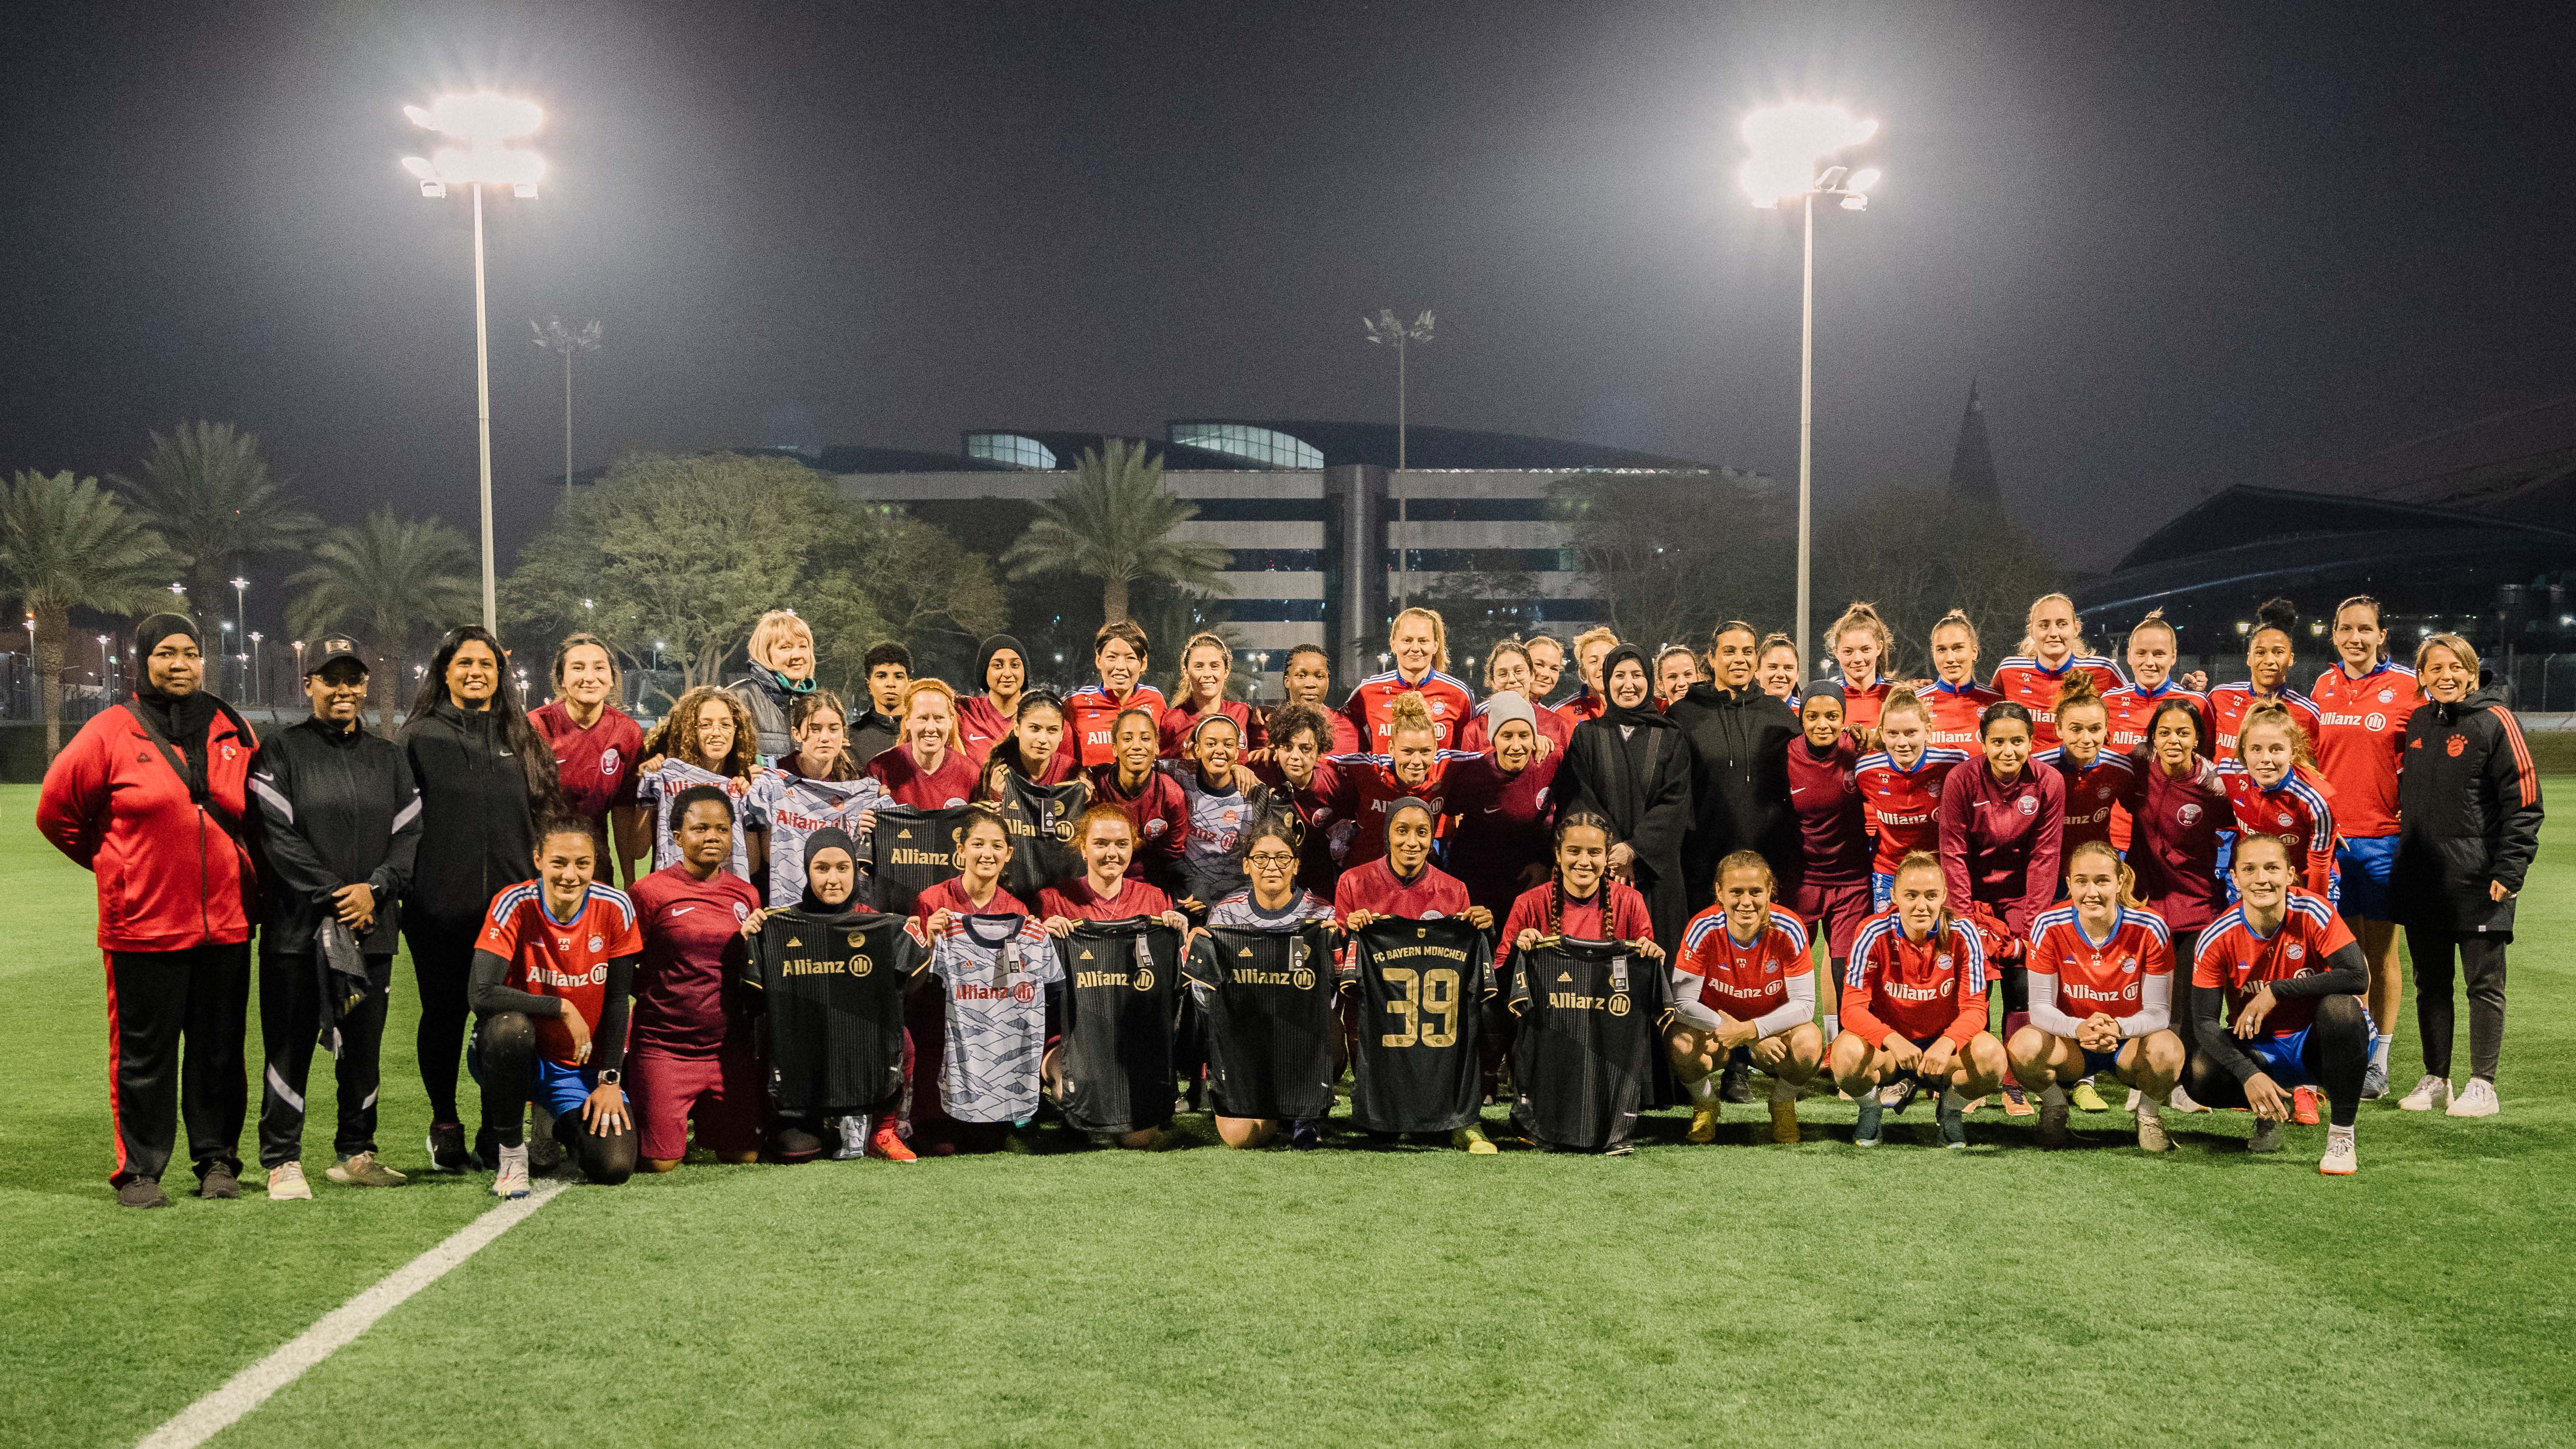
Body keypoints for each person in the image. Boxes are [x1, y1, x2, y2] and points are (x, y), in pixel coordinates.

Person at [39, 613, 261, 1207]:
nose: (180, 664)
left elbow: (259, 818)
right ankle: (140, 1170)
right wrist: (118, 869)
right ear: (144, 661)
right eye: (167, 653)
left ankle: (216, 1160)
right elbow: (55, 813)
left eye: (190, 652)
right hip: (143, 926)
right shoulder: (110, 730)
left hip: (227, 924)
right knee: (145, 1055)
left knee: (219, 1051)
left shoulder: (232, 728)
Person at [244, 635, 420, 1198]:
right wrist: (338, 893)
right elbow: (277, 837)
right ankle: (282, 1158)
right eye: (330, 679)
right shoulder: (279, 751)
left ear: (365, 686)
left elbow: (410, 834)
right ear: (309, 685)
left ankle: (357, 1151)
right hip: (298, 930)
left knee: (364, 1048)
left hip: (372, 930)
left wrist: (376, 889)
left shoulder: (389, 757)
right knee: (290, 1043)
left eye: (353, 680)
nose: (343, 690)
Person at [400, 625, 564, 1174]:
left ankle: (499, 1130)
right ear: (444, 671)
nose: (476, 672)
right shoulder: (419, 737)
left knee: (509, 1021)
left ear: (501, 673)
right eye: (464, 662)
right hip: (439, 908)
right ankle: (445, 1120)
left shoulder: (523, 737)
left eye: (487, 664)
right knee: (444, 1015)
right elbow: (400, 825)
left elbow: (545, 817)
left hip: (514, 914)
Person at [2390, 633, 2543, 1119]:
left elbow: (2524, 802)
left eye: (2455, 666)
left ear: (2472, 671)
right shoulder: (2417, 721)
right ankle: (2436, 1078)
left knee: (2483, 984)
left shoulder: (2495, 720)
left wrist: (2509, 868)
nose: (2446, 675)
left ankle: (2483, 1084)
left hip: (2480, 879)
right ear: (2421, 677)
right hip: (2423, 880)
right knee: (2429, 983)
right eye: (2434, 668)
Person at [467, 819, 642, 1194]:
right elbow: (481, 993)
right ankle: (512, 1153)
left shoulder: (616, 906)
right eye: (559, 862)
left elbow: (617, 1001)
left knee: (613, 1166)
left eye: (582, 864)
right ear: (538, 860)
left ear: (595, 864)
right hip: (516, 1052)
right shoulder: (513, 903)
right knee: (511, 1029)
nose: (570, 875)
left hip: (576, 1067)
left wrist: (610, 1080)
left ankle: (554, 1124)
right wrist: (560, 1006)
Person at [2187, 833, 2371, 1174]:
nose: (2262, 879)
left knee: (2343, 1009)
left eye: (2272, 868)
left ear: (2290, 875)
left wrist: (2277, 990)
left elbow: (2357, 976)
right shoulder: (2217, 936)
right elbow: (2204, 1022)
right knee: (2200, 1073)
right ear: (2235, 878)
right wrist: (2247, 1074)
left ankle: (2342, 1135)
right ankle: (2269, 1112)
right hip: (2263, 1047)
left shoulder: (2314, 910)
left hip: (2320, 1040)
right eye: (2250, 869)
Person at [739, 826, 919, 1163]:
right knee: (798, 1151)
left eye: (842, 868)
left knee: (903, 1039)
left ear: (855, 870)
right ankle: (810, 1122)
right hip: (804, 1059)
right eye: (821, 868)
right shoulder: (777, 925)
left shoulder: (878, 924)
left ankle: (883, 1130)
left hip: (857, 1047)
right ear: (807, 872)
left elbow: (912, 987)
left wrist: (929, 939)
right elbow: (753, 1004)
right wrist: (749, 940)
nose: (833, 879)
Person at [2307, 595, 2423, 1096]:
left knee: (2380, 955)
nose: (2355, 638)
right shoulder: (2323, 685)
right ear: (2333, 635)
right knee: (2342, 958)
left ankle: (2378, 1059)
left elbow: (2422, 761)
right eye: (2346, 629)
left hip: (2380, 840)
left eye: (2365, 629)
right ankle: (2350, 1049)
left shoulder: (2404, 688)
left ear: (2381, 635)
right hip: (2329, 843)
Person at [1498, 810, 1666, 1154]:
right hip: (1550, 1032)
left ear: (1608, 857)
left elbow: (1646, 981)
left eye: (1594, 853)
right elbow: (1502, 976)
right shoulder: (1529, 903)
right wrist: (1520, 949)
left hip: (1608, 1031)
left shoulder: (1630, 902)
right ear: (1558, 855)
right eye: (1574, 851)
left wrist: (1649, 952)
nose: (1584, 861)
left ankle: (1616, 1125)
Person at [2009, 842, 2186, 1151]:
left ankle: (2148, 1115)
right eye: (2082, 881)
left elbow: (2160, 1013)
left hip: (2129, 1045)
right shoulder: (2048, 925)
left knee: (2169, 1050)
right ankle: (2054, 1107)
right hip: (2071, 1045)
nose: (2092, 892)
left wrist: (2118, 1028)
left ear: (2120, 882)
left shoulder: (2151, 927)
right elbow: (2039, 1009)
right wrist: (2078, 1028)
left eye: (2102, 880)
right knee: (2024, 1046)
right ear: (2069, 885)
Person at [626, 785, 764, 1174]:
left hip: (728, 1050)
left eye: (721, 829)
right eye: (700, 829)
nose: (712, 838)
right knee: (661, 1162)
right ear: (677, 837)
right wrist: (663, 1000)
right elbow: (626, 969)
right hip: (664, 1047)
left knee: (744, 1156)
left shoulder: (747, 895)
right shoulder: (649, 892)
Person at [1035, 805, 1189, 1149]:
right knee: (1073, 1095)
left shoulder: (1153, 899)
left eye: (1121, 844)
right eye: (1101, 843)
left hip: (1133, 1040)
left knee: (1139, 1139)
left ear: (1133, 847)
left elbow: (1172, 981)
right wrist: (1042, 937)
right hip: (1074, 1038)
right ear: (1083, 847)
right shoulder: (1054, 900)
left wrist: (1177, 932)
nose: (1111, 853)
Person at [1938, 700, 2066, 1114]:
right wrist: (1965, 921)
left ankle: (2013, 1082)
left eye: (2017, 741)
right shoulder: (1961, 778)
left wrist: (2027, 929)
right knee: (1974, 987)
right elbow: (1953, 852)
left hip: (2023, 898)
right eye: (1998, 742)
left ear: (2032, 741)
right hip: (1970, 896)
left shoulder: (2049, 782)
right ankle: (1973, 1079)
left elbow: (2046, 857)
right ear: (1982, 742)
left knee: (2020, 981)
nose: (2008, 751)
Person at [1831, 853, 2005, 1148]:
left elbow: (1976, 1010)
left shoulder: (1964, 933)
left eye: (1930, 895)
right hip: (1891, 1052)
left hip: (1943, 1054)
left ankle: (1950, 1111)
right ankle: (1871, 1110)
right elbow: (1851, 1009)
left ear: (1944, 896)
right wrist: (1892, 1040)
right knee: (1845, 1054)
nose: (1921, 905)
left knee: (1992, 1058)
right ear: (1894, 894)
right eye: (1911, 895)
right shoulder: (1872, 931)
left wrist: (1947, 1043)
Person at [915, 812, 1061, 1151]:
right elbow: (917, 977)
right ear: (961, 850)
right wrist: (930, 937)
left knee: (988, 1143)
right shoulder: (932, 901)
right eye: (978, 844)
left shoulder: (1018, 911)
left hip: (992, 1031)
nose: (987, 854)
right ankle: (931, 1115)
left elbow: (1014, 988)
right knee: (942, 1144)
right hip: (939, 1023)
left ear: (1008, 854)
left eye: (997, 846)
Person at [2119, 697, 2231, 1110]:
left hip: (2195, 903)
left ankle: (2180, 1084)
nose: (2173, 740)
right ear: (2152, 738)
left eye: (2183, 732)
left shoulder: (2213, 785)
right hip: (2145, 902)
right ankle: (2141, 1077)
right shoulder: (2136, 769)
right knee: (2143, 996)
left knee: (2183, 999)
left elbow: (2245, 823)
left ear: (2198, 739)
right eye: (2164, 732)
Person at [1667, 853, 1825, 1144]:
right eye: (1736, 892)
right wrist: (1748, 1035)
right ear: (1719, 893)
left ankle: (1782, 1103)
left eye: (1756, 892)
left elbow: (1805, 1005)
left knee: (1809, 1042)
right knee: (1680, 1041)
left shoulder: (1789, 928)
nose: (1746, 902)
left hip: (1772, 1033)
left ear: (1770, 892)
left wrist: (1753, 1029)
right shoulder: (1702, 928)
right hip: (1718, 1032)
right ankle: (1705, 1103)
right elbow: (1681, 1003)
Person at [1558, 644, 1696, 956]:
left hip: (1656, 873)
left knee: (1658, 964)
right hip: (1602, 868)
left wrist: (1634, 850)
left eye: (1637, 675)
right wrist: (1611, 849)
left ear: (1649, 679)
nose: (1628, 684)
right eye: (1619, 675)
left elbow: (1676, 801)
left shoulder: (1672, 735)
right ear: (1607, 681)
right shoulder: (1588, 735)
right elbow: (1579, 796)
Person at [1670, 621, 1797, 917]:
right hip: (1702, 865)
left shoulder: (1778, 714)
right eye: (1729, 651)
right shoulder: (1683, 715)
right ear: (1712, 659)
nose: (1739, 659)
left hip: (1765, 863)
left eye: (1747, 652)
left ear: (1756, 659)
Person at [1783, 681, 1873, 1051]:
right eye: (1813, 716)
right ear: (1801, 717)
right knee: (1793, 970)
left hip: (1851, 881)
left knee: (1844, 971)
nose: (1823, 724)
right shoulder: (1784, 754)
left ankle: (1842, 1048)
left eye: (1833, 716)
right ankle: (1791, 1048)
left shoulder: (1859, 749)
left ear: (1844, 719)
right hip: (1801, 880)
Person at [1316, 691, 1476, 875]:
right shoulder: (1365, 768)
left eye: (1425, 751)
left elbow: (1492, 758)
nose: (1416, 761)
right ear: (1391, 748)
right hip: (1363, 875)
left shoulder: (1448, 766)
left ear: (1436, 749)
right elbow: (1316, 763)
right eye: (1407, 751)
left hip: (1416, 879)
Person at [1438, 692, 1564, 922]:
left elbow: (1566, 815)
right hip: (1480, 880)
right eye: (1507, 736)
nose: (1516, 746)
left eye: (1524, 735)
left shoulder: (1551, 762)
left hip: (1528, 876)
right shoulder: (1475, 774)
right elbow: (1447, 809)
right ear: (1493, 739)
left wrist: (1547, 863)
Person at [530, 632, 643, 886]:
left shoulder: (627, 732)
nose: (590, 677)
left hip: (595, 864)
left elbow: (623, 813)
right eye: (578, 668)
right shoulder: (536, 726)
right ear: (561, 679)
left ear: (612, 678)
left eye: (600, 668)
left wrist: (630, 881)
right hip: (541, 866)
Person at [1854, 687, 1968, 912]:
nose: (1902, 742)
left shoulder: (1953, 762)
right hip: (1889, 872)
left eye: (1911, 733)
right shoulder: (1865, 770)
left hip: (1937, 872)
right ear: (1883, 734)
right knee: (1890, 942)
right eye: (1893, 734)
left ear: (1927, 731)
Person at [634, 686, 762, 878]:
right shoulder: (666, 778)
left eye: (726, 725)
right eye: (705, 725)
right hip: (674, 895)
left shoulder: (740, 783)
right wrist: (647, 791)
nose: (717, 732)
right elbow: (638, 850)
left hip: (722, 898)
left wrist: (750, 803)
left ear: (737, 730)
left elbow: (751, 866)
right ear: (689, 731)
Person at [2217, 703, 2338, 901]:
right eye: (2256, 749)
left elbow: (2319, 865)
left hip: (2304, 883)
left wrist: (2313, 910)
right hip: (2256, 880)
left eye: (2276, 750)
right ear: (2243, 752)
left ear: (2293, 752)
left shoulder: (2315, 800)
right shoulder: (2227, 775)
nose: (2265, 759)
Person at [1990, 592, 2127, 749]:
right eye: (2044, 625)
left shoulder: (2104, 670)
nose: (2053, 633)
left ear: (2076, 628)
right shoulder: (2009, 671)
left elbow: (2131, 712)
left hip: (2085, 772)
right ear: (2031, 631)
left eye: (2062, 624)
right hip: (2030, 773)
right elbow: (1987, 721)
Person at [1167, 712, 1274, 909]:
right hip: (1190, 890)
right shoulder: (1182, 773)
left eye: (1228, 744)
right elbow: (1144, 766)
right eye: (1211, 744)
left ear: (1236, 752)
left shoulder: (1254, 793)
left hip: (1240, 897)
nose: (1219, 750)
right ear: (1198, 750)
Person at [1334, 797, 1492, 932]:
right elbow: (1338, 956)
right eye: (1402, 831)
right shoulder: (1352, 882)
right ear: (1388, 835)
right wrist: (1349, 931)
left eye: (1422, 833)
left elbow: (1463, 954)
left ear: (1431, 839)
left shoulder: (1455, 891)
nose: (1412, 842)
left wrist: (1483, 930)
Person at [1248, 702, 1347, 895]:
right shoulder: (1258, 773)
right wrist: (1236, 769)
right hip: (1267, 878)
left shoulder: (1335, 785)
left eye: (1306, 749)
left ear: (1319, 752)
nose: (1295, 756)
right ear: (1276, 748)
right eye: (1287, 747)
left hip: (1318, 881)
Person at [2207, 597, 2321, 761]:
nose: (2269, 661)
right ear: (2249, 658)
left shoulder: (2308, 714)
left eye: (2278, 652)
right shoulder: (2219, 698)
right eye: (2260, 653)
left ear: (2291, 659)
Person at [1346, 606, 1474, 750]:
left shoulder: (1459, 695)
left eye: (1423, 641)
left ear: (1435, 646)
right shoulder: (1367, 692)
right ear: (1393, 645)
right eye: (1407, 640)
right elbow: (1344, 743)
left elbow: (1470, 757)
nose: (1415, 648)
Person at [1089, 705, 1189, 885]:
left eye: (1145, 738)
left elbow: (1173, 859)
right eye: (1128, 739)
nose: (1137, 746)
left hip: (1149, 884)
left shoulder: (1171, 794)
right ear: (1114, 748)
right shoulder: (1095, 787)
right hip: (1099, 881)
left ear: (1157, 747)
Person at [2037, 675, 2134, 860]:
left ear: (2106, 728)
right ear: (2059, 729)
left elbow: (2144, 815)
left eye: (2095, 729)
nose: (2086, 739)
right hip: (2050, 866)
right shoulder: (2039, 768)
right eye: (2076, 729)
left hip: (2096, 864)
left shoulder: (2120, 767)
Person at [1065, 620, 1166, 769]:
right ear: (1099, 660)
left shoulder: (1155, 699)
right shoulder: (1075, 703)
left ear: (1143, 663)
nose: (1120, 667)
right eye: (1112, 657)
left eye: (1130, 658)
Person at [865, 678, 980, 808]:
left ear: (950, 721)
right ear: (908, 720)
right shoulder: (879, 769)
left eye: (939, 718)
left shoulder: (970, 774)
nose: (931, 728)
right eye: (923, 718)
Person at [726, 609, 819, 763]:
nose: (797, 655)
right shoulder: (737, 699)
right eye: (786, 647)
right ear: (765, 652)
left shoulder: (818, 706)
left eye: (803, 646)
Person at [1160, 631, 1268, 756]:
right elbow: (1162, 768)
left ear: (1226, 671)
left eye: (1214, 666)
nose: (1207, 674)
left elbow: (1261, 759)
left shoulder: (1243, 714)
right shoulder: (1171, 721)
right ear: (1186, 672)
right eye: (1199, 666)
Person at [1458, 640, 1570, 751]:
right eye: (1502, 674)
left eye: (1519, 671)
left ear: (1531, 674)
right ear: (1492, 681)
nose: (1512, 679)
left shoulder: (1557, 724)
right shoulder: (1477, 725)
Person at [1922, 610, 2002, 755]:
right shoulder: (1917, 702)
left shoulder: (1996, 703)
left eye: (1958, 648)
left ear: (1974, 652)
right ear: (1933, 654)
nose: (1950, 658)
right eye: (1941, 650)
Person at [1820, 601, 1896, 738]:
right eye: (1848, 652)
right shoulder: (1825, 698)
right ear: (1836, 652)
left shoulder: (1897, 694)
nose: (1858, 659)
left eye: (1865, 649)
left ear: (1879, 648)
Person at [1269, 643, 1363, 754]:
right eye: (1301, 676)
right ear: (1287, 681)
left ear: (1328, 681)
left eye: (1320, 676)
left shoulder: (1350, 727)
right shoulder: (1265, 726)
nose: (1311, 684)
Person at [954, 632, 1032, 765]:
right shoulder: (964, 712)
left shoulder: (1043, 717)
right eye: (998, 666)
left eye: (1015, 665)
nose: (1007, 673)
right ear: (984, 672)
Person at [849, 640, 911, 767]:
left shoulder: (923, 733)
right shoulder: (849, 738)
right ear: (869, 685)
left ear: (909, 684)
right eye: (882, 676)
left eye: (898, 677)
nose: (891, 684)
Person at [1562, 625, 1619, 724]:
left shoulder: (1636, 708)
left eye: (1609, 659)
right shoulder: (1563, 713)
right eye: (1593, 661)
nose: (1602, 666)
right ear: (1583, 672)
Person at [1754, 633, 1802, 708]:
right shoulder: (1743, 712)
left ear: (1797, 675)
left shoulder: (1806, 713)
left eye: (1788, 668)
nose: (1781, 674)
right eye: (1773, 667)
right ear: (1757, 671)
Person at [1523, 633, 1570, 709]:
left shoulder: (1549, 717)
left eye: (1554, 669)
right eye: (1539, 665)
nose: (1546, 675)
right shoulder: (1500, 705)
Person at [1652, 644, 1701, 708]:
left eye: (1688, 675)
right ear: (1660, 684)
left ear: (1699, 677)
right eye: (1672, 677)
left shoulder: (1716, 715)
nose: (1682, 683)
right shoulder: (1653, 718)